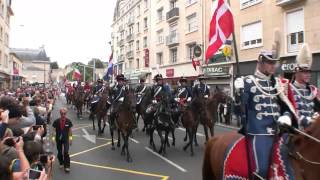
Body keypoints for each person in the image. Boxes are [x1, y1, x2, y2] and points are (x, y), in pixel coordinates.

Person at [234, 50, 297, 179]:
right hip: (258, 133)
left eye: (274, 63)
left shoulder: (278, 84)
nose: (273, 66)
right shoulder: (248, 82)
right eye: (269, 63)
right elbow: (238, 111)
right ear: (260, 63)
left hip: (279, 132)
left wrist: (287, 116)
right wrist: (238, 95)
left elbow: (286, 106)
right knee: (261, 169)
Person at [290, 44, 320, 129]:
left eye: (309, 72)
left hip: (311, 131)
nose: (308, 75)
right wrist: (308, 120)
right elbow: (290, 112)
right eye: (304, 72)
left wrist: (316, 116)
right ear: (296, 73)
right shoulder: (288, 89)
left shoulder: (313, 90)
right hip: (295, 132)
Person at [52, 108, 72, 172]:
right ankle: (61, 162)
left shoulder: (68, 121)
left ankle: (67, 166)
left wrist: (70, 139)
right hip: (58, 139)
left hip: (66, 139)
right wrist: (53, 139)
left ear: (66, 114)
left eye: (64, 114)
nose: (63, 115)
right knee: (60, 152)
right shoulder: (56, 121)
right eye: (62, 114)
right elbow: (54, 131)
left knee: (66, 152)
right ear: (60, 114)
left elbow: (70, 131)